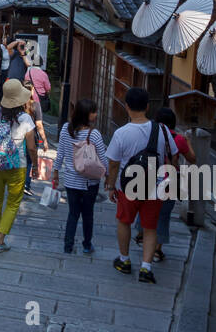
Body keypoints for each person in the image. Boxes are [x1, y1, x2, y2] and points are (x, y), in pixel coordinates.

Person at [105, 86, 178, 283]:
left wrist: (111, 186)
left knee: (124, 221)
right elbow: (174, 154)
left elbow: (113, 163)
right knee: (150, 227)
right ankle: (146, 267)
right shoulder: (162, 130)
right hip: (155, 186)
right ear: (147, 106)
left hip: (128, 186)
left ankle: (124, 260)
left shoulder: (122, 133)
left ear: (127, 106)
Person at [0, 80, 38, 254]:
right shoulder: (25, 118)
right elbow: (32, 147)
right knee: (12, 204)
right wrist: (35, 165)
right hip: (17, 166)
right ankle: (0, 240)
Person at [53, 98, 107, 255]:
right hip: (90, 182)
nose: (96, 114)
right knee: (88, 214)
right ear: (86, 115)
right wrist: (109, 176)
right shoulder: (94, 134)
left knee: (73, 213)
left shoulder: (66, 129)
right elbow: (103, 159)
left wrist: (56, 172)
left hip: (71, 181)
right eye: (94, 112)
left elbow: (60, 153)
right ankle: (86, 244)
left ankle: (68, 245)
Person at [147, 107, 196, 262]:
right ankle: (157, 250)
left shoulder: (151, 134)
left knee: (148, 211)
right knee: (164, 216)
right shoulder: (179, 139)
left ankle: (144, 237)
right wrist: (188, 142)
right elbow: (192, 159)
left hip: (150, 179)